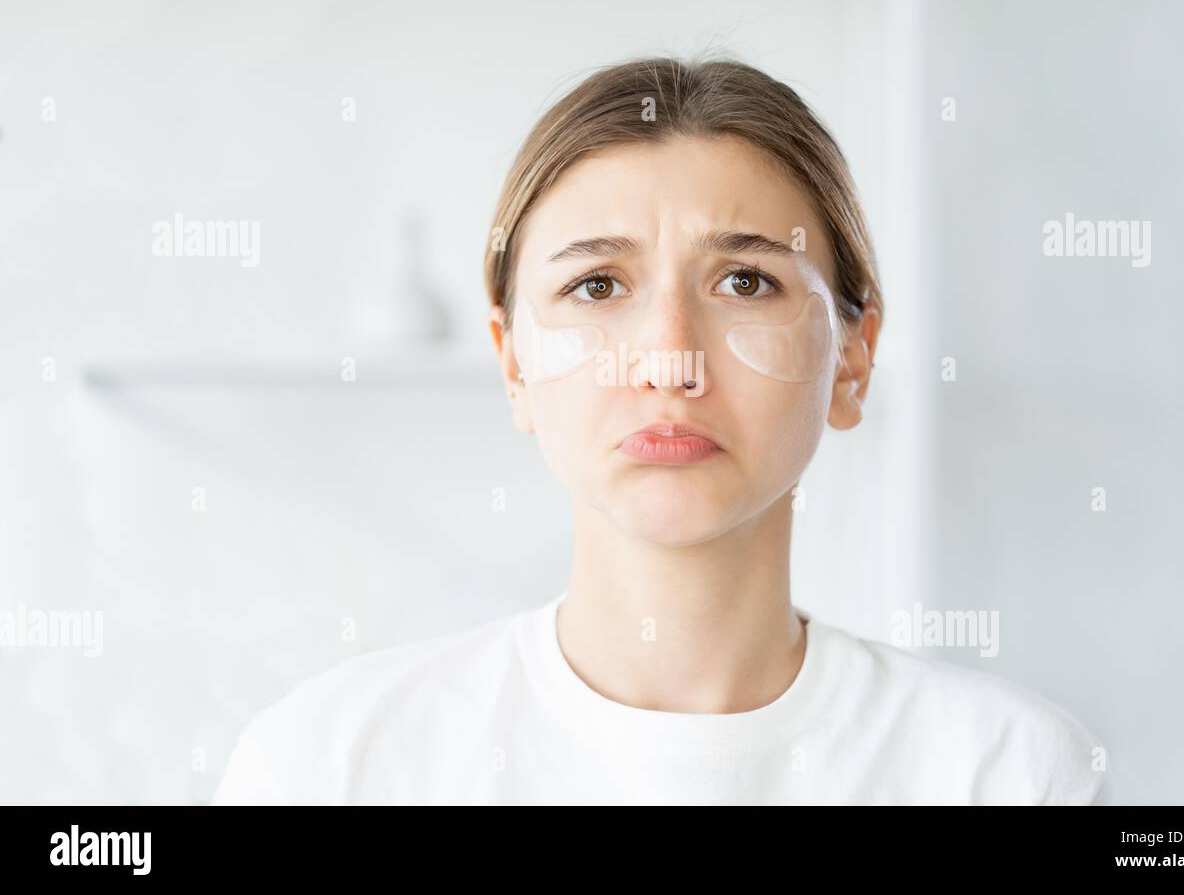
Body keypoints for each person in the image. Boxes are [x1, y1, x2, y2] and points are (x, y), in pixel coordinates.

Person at [212, 55, 1106, 805]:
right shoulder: (329, 766)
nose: (671, 362)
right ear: (514, 362)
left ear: (852, 358)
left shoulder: (1004, 774)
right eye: (597, 286)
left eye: (746, 283)